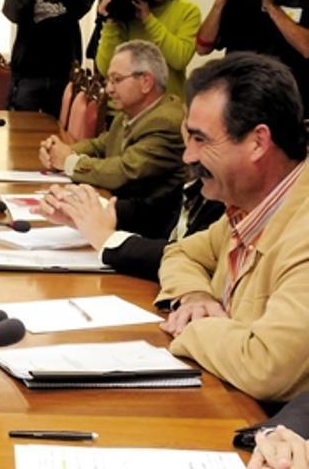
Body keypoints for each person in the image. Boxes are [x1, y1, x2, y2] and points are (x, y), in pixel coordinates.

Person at [156, 52, 309, 402]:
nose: (187, 157)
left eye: (201, 140)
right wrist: (196, 296)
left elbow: (266, 367)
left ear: (258, 142)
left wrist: (193, 325)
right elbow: (180, 252)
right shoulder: (250, 208)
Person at [38, 40, 187, 238]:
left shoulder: (166, 121)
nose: (108, 89)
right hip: (117, 217)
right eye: (108, 80)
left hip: (146, 233)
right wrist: (58, 151)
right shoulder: (128, 114)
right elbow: (99, 145)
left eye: (116, 80)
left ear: (146, 82)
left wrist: (68, 161)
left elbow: (124, 171)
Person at [32, 179, 224, 281]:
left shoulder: (235, 205)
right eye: (189, 134)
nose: (188, 155)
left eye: (200, 138)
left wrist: (105, 237)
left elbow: (191, 255)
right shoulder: (203, 179)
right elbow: (153, 212)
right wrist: (83, 211)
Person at [196, 0, 309, 116]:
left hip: (288, 106)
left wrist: (271, 7)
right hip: (241, 104)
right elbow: (202, 47)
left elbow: (306, 47)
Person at [2, 0, 96, 116]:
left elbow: (83, 4)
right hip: (28, 74)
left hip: (63, 73)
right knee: (20, 128)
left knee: (58, 131)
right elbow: (12, 13)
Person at [94, 0, 200, 98]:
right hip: (124, 108)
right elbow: (106, 68)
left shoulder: (188, 11)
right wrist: (110, 21)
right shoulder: (127, 10)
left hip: (166, 107)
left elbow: (180, 59)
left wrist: (148, 19)